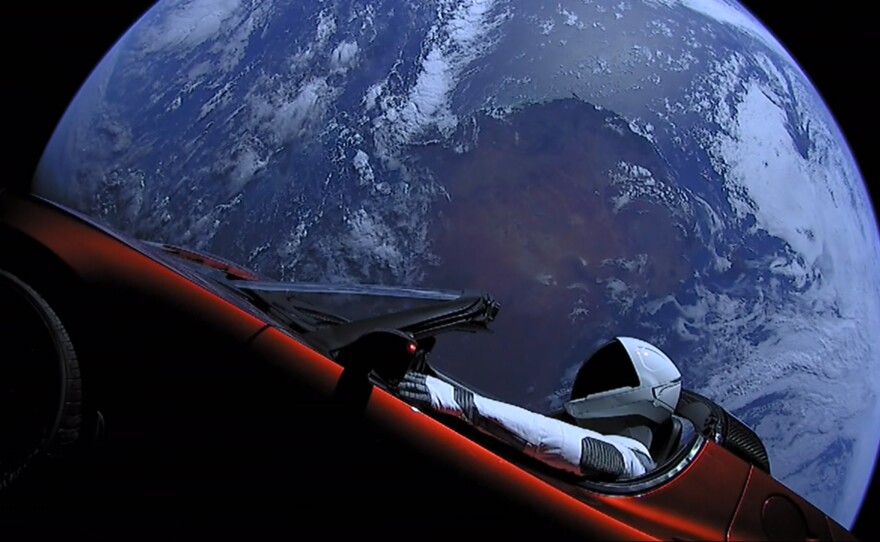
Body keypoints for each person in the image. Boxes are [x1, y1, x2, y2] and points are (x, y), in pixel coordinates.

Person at [397, 336, 682, 481]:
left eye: (611, 376)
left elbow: (559, 443)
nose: (593, 382)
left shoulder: (634, 465)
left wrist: (458, 401)